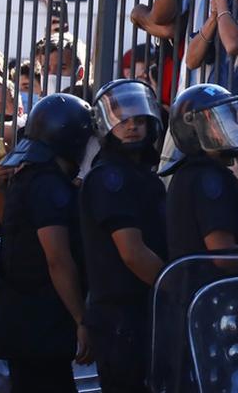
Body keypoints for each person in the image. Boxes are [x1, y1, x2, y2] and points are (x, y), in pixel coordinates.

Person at [0, 93, 94, 393]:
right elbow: (57, 258)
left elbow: (12, 223)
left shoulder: (27, 176)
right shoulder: (49, 185)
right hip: (40, 323)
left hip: (22, 321)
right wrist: (81, 320)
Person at [79, 79, 168, 393]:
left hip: (141, 314)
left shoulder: (140, 174)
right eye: (123, 120)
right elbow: (132, 252)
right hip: (123, 319)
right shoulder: (110, 178)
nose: (132, 127)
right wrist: (174, 290)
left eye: (139, 120)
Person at [160, 84, 238, 258]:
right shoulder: (209, 179)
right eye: (219, 122)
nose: (232, 128)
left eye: (230, 120)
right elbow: (222, 254)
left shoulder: (190, 172)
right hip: (211, 281)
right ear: (192, 130)